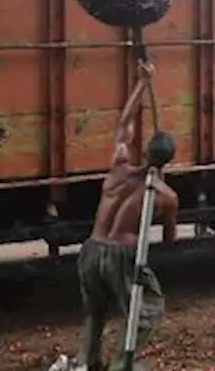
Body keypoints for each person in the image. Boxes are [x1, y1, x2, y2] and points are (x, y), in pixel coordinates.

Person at [76, 59, 179, 371]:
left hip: (91, 248)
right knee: (147, 308)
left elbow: (123, 126)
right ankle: (122, 365)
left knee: (95, 311)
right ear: (168, 161)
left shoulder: (118, 169)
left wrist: (141, 84)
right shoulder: (165, 197)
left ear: (145, 153)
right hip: (122, 255)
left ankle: (85, 363)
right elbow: (170, 240)